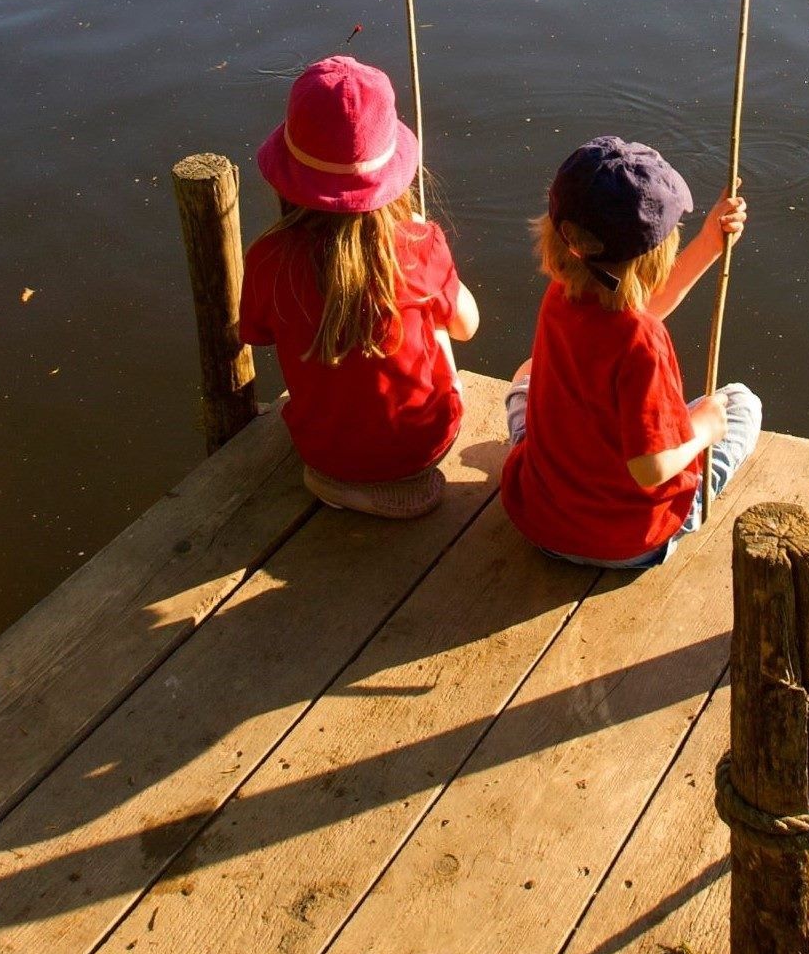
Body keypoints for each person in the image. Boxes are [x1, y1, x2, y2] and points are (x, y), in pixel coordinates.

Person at [498, 134, 761, 570]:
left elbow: (642, 305)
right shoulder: (642, 342)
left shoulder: (562, 295)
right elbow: (650, 467)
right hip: (629, 542)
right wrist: (704, 429)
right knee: (740, 405)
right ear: (655, 254)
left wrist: (710, 244)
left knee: (528, 372)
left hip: (540, 522)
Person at [244, 54, 477, 518]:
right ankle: (401, 471)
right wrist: (423, 246)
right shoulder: (419, 243)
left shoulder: (268, 257)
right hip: (429, 444)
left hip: (323, 456)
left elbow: (259, 334)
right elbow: (467, 325)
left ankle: (343, 483)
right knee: (436, 320)